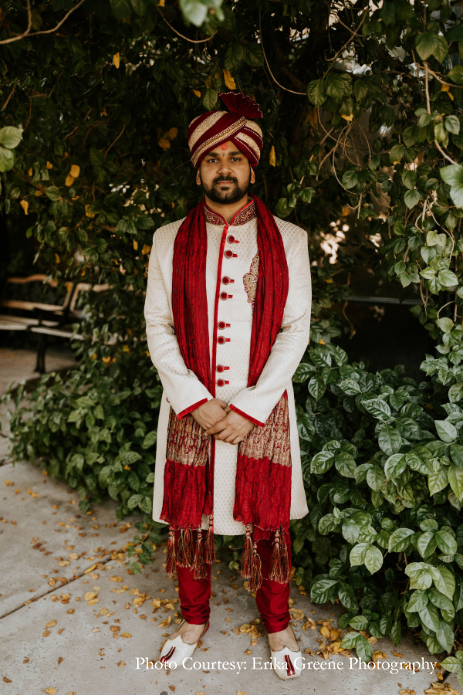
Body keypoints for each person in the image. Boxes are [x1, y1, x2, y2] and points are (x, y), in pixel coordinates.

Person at [144, 91, 312, 680]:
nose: (223, 168)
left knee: (268, 521)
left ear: (252, 165)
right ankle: (193, 618)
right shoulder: (169, 239)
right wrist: (193, 400)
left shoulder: (289, 239)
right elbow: (158, 326)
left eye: (234, 158)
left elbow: (295, 329)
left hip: (260, 411)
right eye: (211, 159)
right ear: (198, 168)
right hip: (191, 407)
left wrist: (250, 408)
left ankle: (278, 623)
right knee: (192, 520)